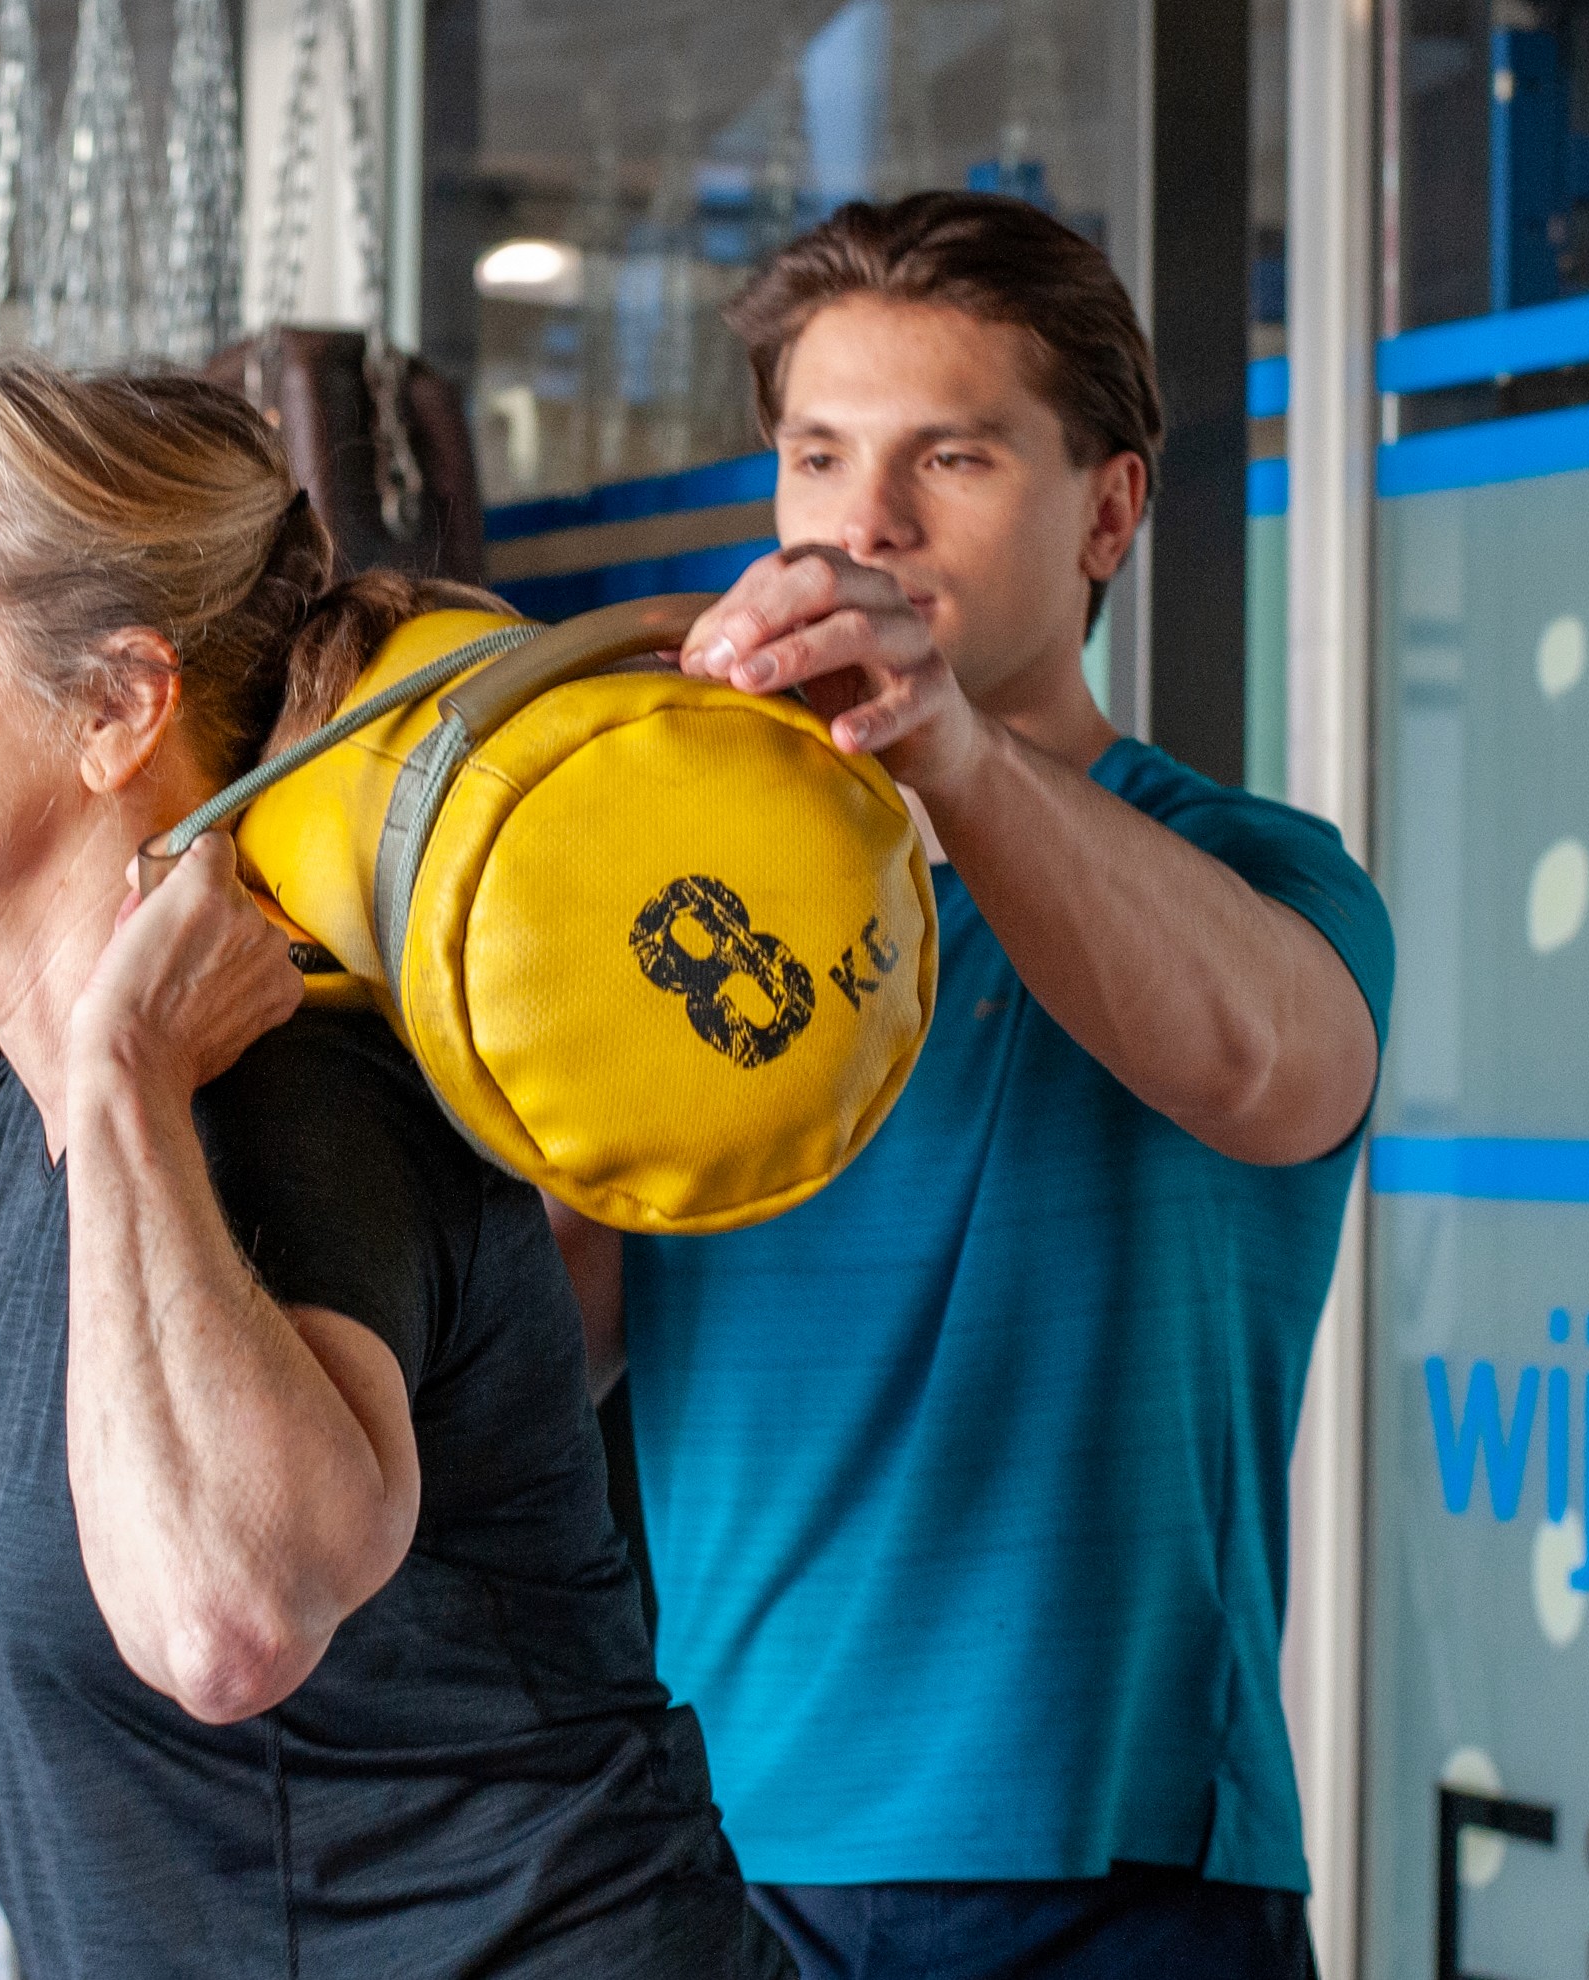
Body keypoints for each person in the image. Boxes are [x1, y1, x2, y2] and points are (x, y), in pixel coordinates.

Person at [0, 352, 790, 1980]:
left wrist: (121, 1076)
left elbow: (224, 1628)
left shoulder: (305, 1110)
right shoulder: (1, 1140)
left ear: (114, 709)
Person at [551, 191, 1394, 1978]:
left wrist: (945, 752)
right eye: (818, 456)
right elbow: (557, 1340)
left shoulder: (1257, 873)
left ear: (1108, 511)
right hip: (719, 1857)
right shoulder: (692, 905)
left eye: (953, 457)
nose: (865, 524)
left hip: (1127, 1879)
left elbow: (1276, 1072)